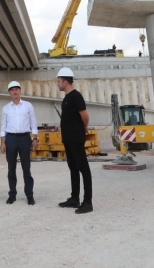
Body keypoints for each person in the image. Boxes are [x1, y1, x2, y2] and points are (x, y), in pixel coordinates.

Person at [56, 67, 93, 214]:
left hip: (76, 138)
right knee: (73, 167)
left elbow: (85, 116)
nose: (57, 84)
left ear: (65, 81)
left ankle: (88, 202)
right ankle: (74, 198)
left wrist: (83, 127)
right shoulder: (66, 98)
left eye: (58, 81)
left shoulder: (76, 96)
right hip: (68, 139)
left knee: (83, 168)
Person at [0, 81, 39, 205]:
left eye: (17, 89)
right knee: (11, 168)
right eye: (12, 90)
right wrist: (3, 142)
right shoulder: (6, 108)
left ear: (20, 91)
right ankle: (12, 194)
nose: (15, 91)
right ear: (9, 93)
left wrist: (34, 138)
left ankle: (29, 195)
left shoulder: (28, 106)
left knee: (26, 168)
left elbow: (33, 122)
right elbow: (3, 127)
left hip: (24, 138)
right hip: (11, 138)